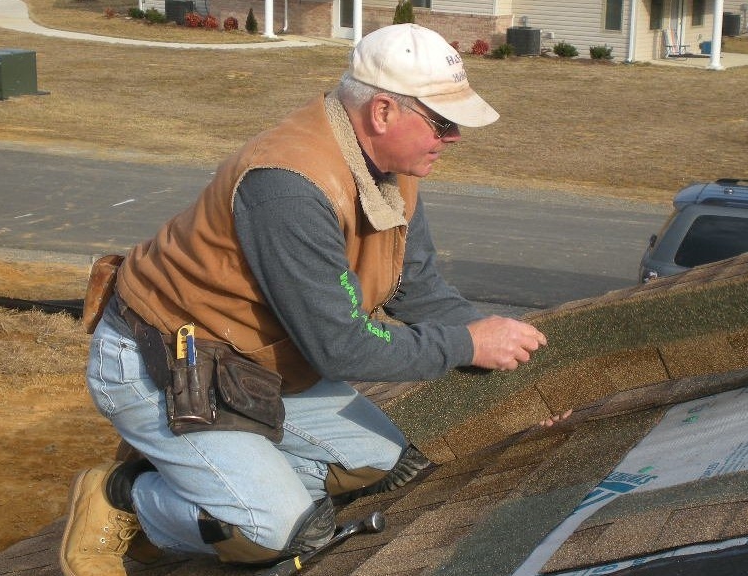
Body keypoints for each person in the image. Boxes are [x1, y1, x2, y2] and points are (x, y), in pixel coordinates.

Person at [60, 23, 549, 576]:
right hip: (168, 363)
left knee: (380, 467)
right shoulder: (288, 187)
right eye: (442, 122)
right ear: (383, 113)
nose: (455, 136)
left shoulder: (390, 172)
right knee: (279, 531)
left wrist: (525, 369)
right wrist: (466, 344)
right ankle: (128, 498)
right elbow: (341, 349)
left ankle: (214, 473)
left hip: (254, 363)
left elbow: (424, 293)